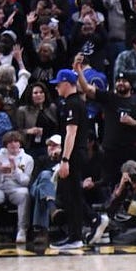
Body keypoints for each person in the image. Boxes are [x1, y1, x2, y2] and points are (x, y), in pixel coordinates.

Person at [49, 68, 90, 251]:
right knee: (69, 194)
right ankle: (75, 234)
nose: (56, 87)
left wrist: (65, 159)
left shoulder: (73, 104)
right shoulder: (75, 102)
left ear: (66, 83)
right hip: (75, 153)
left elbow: (71, 133)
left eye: (58, 84)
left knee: (72, 196)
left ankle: (77, 235)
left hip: (73, 154)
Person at [100, 159, 136, 244]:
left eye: (135, 176)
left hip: (134, 226)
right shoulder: (120, 186)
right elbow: (108, 210)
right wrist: (119, 191)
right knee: (100, 222)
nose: (132, 180)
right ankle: (113, 237)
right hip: (116, 225)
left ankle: (114, 239)